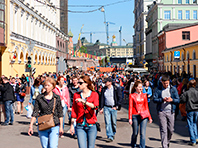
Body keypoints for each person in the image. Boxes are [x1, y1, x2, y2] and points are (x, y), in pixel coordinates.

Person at [28, 78, 63, 148]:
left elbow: (60, 113)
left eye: (48, 85)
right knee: (45, 146)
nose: (46, 87)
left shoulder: (57, 98)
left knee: (53, 146)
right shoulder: (39, 98)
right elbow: (35, 112)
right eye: (45, 85)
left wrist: (61, 127)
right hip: (43, 124)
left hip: (54, 124)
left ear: (53, 86)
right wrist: (31, 125)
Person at [70, 75, 99, 148]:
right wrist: (72, 125)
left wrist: (84, 101)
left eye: (80, 83)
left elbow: (95, 106)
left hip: (91, 125)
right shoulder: (76, 95)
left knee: (91, 146)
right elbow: (74, 110)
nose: (78, 84)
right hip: (80, 125)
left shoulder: (94, 94)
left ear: (86, 84)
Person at [153, 75, 180, 148]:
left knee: (171, 129)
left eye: (167, 83)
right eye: (164, 83)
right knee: (163, 129)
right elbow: (154, 99)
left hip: (171, 111)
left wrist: (172, 100)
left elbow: (178, 100)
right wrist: (162, 100)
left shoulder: (173, 89)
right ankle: (164, 146)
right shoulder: (158, 89)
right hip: (161, 111)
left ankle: (167, 141)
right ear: (161, 82)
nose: (166, 85)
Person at [129, 80, 152, 148]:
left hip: (143, 116)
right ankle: (133, 144)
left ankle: (142, 146)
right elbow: (130, 107)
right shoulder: (132, 96)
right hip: (135, 115)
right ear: (135, 87)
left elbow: (146, 107)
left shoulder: (144, 95)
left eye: (141, 87)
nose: (140, 88)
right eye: (139, 87)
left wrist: (149, 117)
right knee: (135, 133)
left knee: (142, 133)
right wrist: (130, 118)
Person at [99, 77, 122, 142]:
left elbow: (120, 98)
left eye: (106, 82)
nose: (105, 83)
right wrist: (101, 108)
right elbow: (102, 99)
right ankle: (109, 135)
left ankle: (113, 132)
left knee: (113, 122)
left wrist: (116, 106)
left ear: (110, 82)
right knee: (107, 122)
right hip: (106, 107)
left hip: (113, 107)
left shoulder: (116, 89)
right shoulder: (104, 89)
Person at [180, 79, 198, 146]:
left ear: (189, 85)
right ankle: (196, 137)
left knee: (190, 125)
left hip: (190, 109)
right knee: (194, 124)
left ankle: (193, 140)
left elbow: (182, 100)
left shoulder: (187, 92)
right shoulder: (197, 92)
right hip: (196, 110)